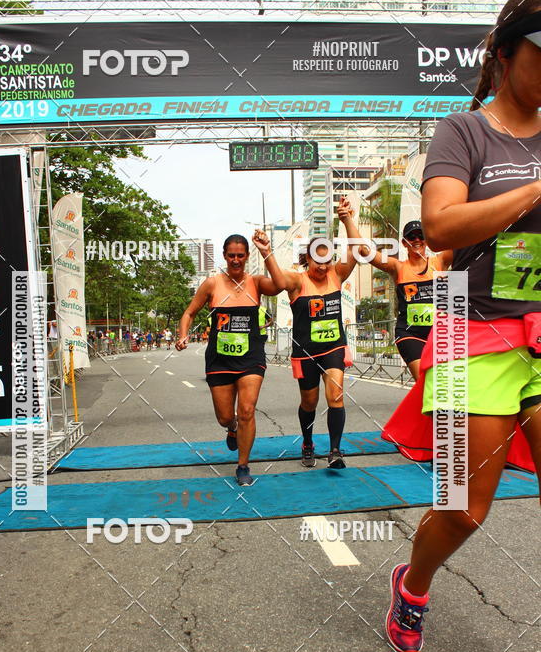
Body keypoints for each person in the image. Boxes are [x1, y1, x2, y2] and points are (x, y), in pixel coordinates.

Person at [384, 0, 541, 652]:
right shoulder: (464, 130)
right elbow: (443, 223)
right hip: (470, 340)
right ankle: (413, 583)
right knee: (463, 510)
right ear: (506, 55)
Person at [176, 230, 285, 485]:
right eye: (231, 256)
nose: (236, 260)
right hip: (220, 359)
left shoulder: (256, 282)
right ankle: (232, 427)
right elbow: (189, 313)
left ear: (247, 256)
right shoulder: (212, 284)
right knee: (226, 416)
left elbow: (279, 286)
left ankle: (243, 466)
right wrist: (182, 335)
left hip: (251, 357)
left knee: (247, 409)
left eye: (241, 256)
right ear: (224, 256)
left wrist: (266, 251)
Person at [279, 196, 362, 468]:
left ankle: (335, 450)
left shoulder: (337, 275)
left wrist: (347, 219)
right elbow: (277, 280)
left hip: (334, 347)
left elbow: (358, 250)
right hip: (305, 352)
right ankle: (307, 442)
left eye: (327, 261)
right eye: (318, 261)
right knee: (310, 402)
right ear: (308, 259)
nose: (323, 267)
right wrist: (267, 252)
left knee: (336, 394)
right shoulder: (296, 280)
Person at [363, 220, 453, 380]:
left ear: (427, 240)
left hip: (439, 334)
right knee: (425, 381)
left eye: (421, 235)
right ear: (404, 242)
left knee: (443, 384)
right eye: (411, 237)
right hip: (410, 333)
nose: (417, 240)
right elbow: (364, 250)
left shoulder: (439, 262)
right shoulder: (398, 267)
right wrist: (347, 219)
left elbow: (466, 241)